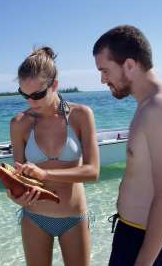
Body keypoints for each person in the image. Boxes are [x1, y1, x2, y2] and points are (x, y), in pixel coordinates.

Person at [93, 25, 162, 265]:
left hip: (146, 241)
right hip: (153, 235)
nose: (103, 79)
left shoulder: (158, 108)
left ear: (130, 65)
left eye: (105, 70)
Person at [7, 46, 100, 266]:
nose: (31, 102)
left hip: (73, 218)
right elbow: (17, 177)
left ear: (54, 85)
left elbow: (93, 172)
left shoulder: (81, 115)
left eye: (38, 95)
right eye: (24, 95)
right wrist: (13, 194)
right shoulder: (19, 124)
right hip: (34, 218)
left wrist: (44, 173)